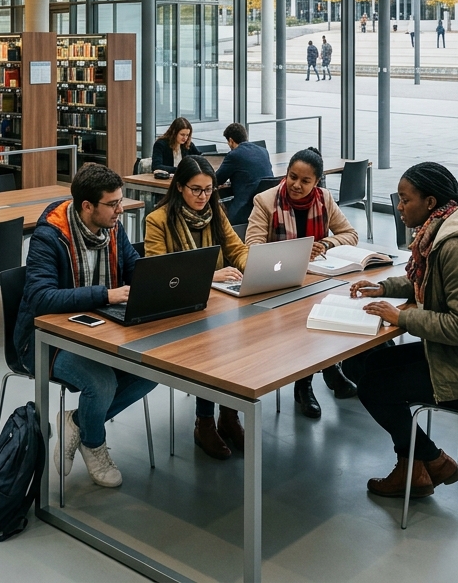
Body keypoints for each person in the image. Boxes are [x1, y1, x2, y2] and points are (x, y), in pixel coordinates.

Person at [353, 162, 458, 498]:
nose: (398, 207)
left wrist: (401, 318)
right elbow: (430, 281)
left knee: (374, 385)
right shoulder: (447, 226)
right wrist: (385, 288)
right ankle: (420, 465)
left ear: (430, 202)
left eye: (405, 200)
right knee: (361, 364)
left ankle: (426, 461)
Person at [13, 164, 157, 488]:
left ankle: (77, 422)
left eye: (121, 201)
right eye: (113, 204)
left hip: (98, 331)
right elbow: (40, 297)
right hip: (45, 340)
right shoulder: (49, 235)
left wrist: (162, 281)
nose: (120, 210)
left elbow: (135, 269)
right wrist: (105, 294)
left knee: (150, 372)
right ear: (87, 206)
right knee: (102, 383)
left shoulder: (113, 228)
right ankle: (95, 444)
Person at [145, 156, 248, 459]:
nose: (203, 197)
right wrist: (211, 276)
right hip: (177, 310)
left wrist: (251, 267)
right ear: (179, 187)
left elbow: (236, 248)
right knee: (213, 343)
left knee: (241, 336)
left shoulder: (215, 212)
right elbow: (159, 273)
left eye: (209, 190)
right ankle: (204, 421)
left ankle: (228, 414)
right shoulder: (158, 220)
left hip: (215, 302)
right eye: (196, 190)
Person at [246, 147, 359, 417]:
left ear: (316, 182)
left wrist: (324, 243)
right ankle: (308, 383)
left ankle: (327, 369)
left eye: (305, 181)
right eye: (292, 177)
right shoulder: (265, 200)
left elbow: (350, 234)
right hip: (278, 284)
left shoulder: (325, 199)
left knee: (331, 307)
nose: (296, 185)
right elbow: (252, 247)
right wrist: (294, 253)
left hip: (316, 279)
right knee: (304, 318)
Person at [214, 122, 273, 224]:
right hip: (268, 204)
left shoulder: (234, 155)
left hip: (244, 209)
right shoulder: (263, 151)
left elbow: (217, 179)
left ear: (231, 140)